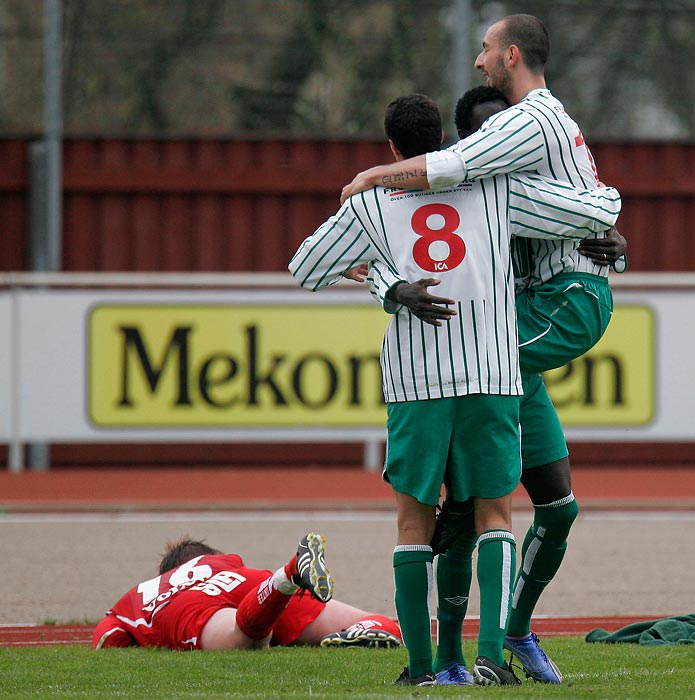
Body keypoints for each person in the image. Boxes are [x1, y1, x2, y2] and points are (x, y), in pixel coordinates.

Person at [288, 93, 621, 686]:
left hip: (419, 379)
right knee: (492, 515)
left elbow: (307, 266)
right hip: (491, 370)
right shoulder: (494, 191)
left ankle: (428, 668)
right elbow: (588, 208)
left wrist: (384, 281)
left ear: (392, 148)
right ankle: (484, 657)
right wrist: (606, 227)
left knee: (418, 523)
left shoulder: (373, 203)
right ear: (452, 142)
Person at [92, 532, 402, 651]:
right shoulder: (223, 562)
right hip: (246, 581)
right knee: (379, 623)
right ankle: (362, 630)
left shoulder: (146, 592)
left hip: (190, 604)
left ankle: (289, 574)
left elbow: (106, 638)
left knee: (244, 640)